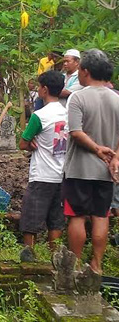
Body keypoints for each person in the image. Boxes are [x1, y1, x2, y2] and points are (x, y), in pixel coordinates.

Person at [63, 49, 119, 274]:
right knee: (100, 215)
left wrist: (96, 149)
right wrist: (115, 155)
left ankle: (75, 265)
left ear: (85, 72)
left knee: (76, 216)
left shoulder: (78, 97)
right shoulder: (116, 99)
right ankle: (96, 264)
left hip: (79, 169)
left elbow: (76, 132)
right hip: (105, 171)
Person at [18, 70, 67, 255]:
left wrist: (31, 145)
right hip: (62, 174)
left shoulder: (40, 115)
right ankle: (55, 256)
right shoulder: (67, 113)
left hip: (42, 174)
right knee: (56, 218)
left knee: (32, 216)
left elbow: (23, 143)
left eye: (39, 86)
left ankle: (29, 252)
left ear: (44, 90)